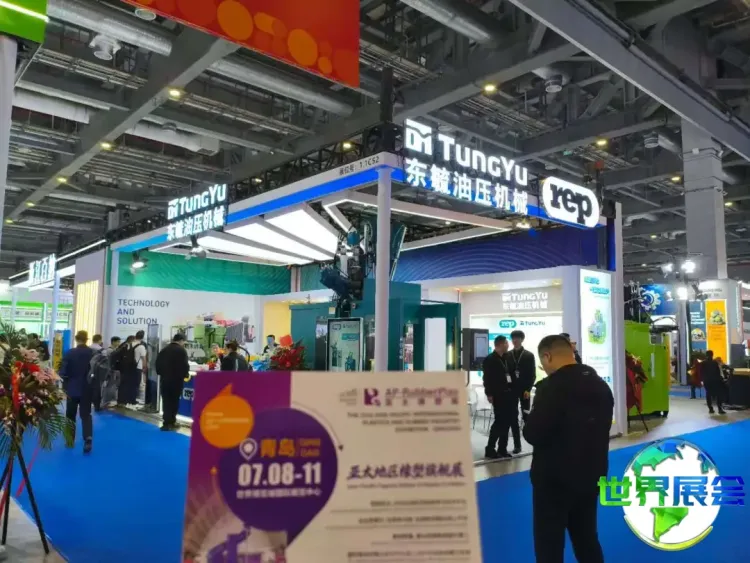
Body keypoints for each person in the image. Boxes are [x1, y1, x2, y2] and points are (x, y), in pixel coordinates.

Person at [524, 335, 613, 563]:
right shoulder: (601, 385)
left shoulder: (551, 388)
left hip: (554, 480)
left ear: (547, 356)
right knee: (586, 539)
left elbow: (534, 433)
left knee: (549, 545)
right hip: (591, 474)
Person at [482, 335, 520, 459]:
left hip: (510, 394)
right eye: (506, 343)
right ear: (500, 344)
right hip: (498, 395)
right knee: (499, 422)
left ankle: (502, 448)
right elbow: (487, 379)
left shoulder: (508, 357)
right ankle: (490, 448)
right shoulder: (490, 359)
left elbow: (513, 374)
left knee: (507, 422)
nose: (508, 345)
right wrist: (489, 394)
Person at [59, 330, 96, 454]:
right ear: (86, 339)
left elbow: (63, 372)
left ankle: (69, 440)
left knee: (70, 415)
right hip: (87, 388)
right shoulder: (92, 353)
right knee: (86, 415)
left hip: (72, 388)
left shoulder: (70, 353)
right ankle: (88, 438)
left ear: (76, 339)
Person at [155, 333, 190, 431]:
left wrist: (161, 373)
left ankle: (166, 422)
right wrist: (185, 375)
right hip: (176, 380)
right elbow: (184, 365)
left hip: (165, 379)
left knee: (166, 401)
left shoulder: (164, 350)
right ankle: (172, 422)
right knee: (174, 401)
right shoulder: (181, 350)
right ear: (181, 340)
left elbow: (157, 364)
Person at [508, 330, 536, 423]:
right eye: (513, 338)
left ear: (522, 340)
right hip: (512, 388)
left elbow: (532, 374)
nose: (515, 340)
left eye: (517, 338)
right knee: (512, 412)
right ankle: (515, 429)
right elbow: (506, 373)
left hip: (525, 389)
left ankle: (527, 429)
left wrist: (528, 389)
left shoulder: (529, 355)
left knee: (525, 411)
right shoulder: (508, 355)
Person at [701, 350, 726, 415]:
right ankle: (720, 409)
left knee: (708, 394)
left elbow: (701, 372)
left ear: (706, 355)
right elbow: (718, 372)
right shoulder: (715, 363)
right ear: (712, 355)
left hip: (707, 381)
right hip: (715, 380)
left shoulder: (703, 363)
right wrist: (720, 379)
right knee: (718, 394)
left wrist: (703, 380)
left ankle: (710, 409)